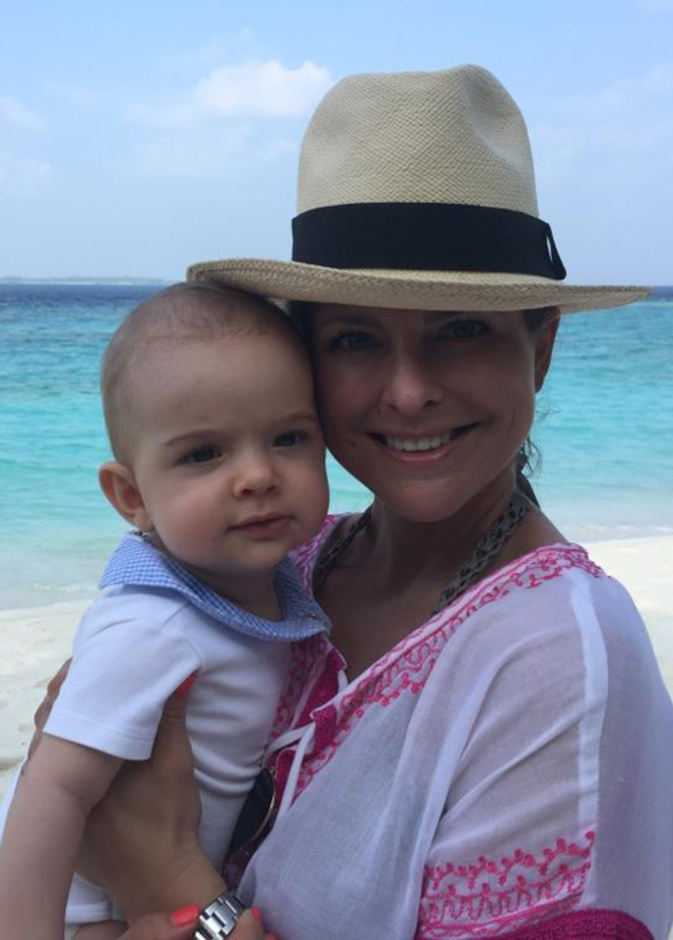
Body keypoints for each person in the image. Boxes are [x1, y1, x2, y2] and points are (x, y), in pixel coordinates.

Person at [27, 65, 673, 940]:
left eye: (461, 330)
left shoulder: (553, 659)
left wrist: (166, 885)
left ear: (541, 351)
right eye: (355, 338)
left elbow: (123, 828)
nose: (407, 392)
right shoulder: (276, 562)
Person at [0, 283, 330, 940]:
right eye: (203, 453)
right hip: (78, 913)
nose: (257, 475)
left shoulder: (265, 586)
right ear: (131, 497)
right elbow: (52, 790)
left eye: (288, 437)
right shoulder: (154, 627)